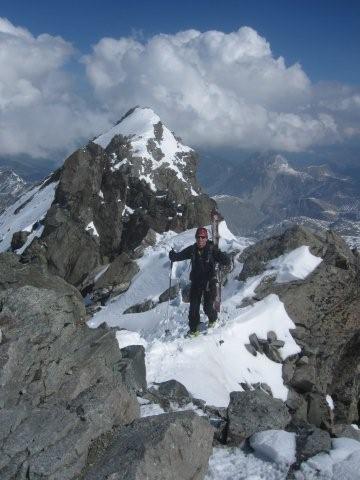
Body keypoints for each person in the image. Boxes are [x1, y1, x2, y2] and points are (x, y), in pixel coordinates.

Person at [169, 226, 231, 337]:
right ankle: (194, 330)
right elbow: (180, 256)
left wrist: (223, 256)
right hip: (196, 283)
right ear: (196, 238)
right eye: (198, 237)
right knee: (193, 308)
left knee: (207, 308)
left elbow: (225, 260)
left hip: (209, 283)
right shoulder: (192, 250)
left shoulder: (212, 250)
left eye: (203, 237)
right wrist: (173, 256)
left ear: (206, 238)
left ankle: (213, 318)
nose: (200, 239)